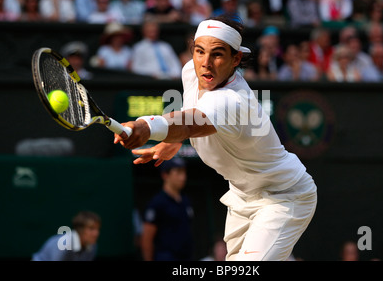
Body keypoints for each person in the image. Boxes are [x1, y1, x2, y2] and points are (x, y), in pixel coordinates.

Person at [114, 15, 317, 261]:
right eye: (199, 52)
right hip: (242, 197)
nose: (205, 63)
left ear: (236, 59)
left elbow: (189, 122)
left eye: (217, 54)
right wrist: (173, 139)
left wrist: (146, 126)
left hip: (283, 197)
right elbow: (190, 114)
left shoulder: (232, 100)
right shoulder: (191, 71)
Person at [140, 157, 194, 261]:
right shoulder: (157, 203)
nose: (183, 177)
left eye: (184, 172)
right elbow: (146, 238)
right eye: (178, 172)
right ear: (165, 175)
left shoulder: (186, 201)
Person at [32, 211, 101, 261]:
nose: (96, 233)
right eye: (91, 229)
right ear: (80, 230)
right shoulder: (64, 244)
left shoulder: (92, 246)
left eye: (97, 229)